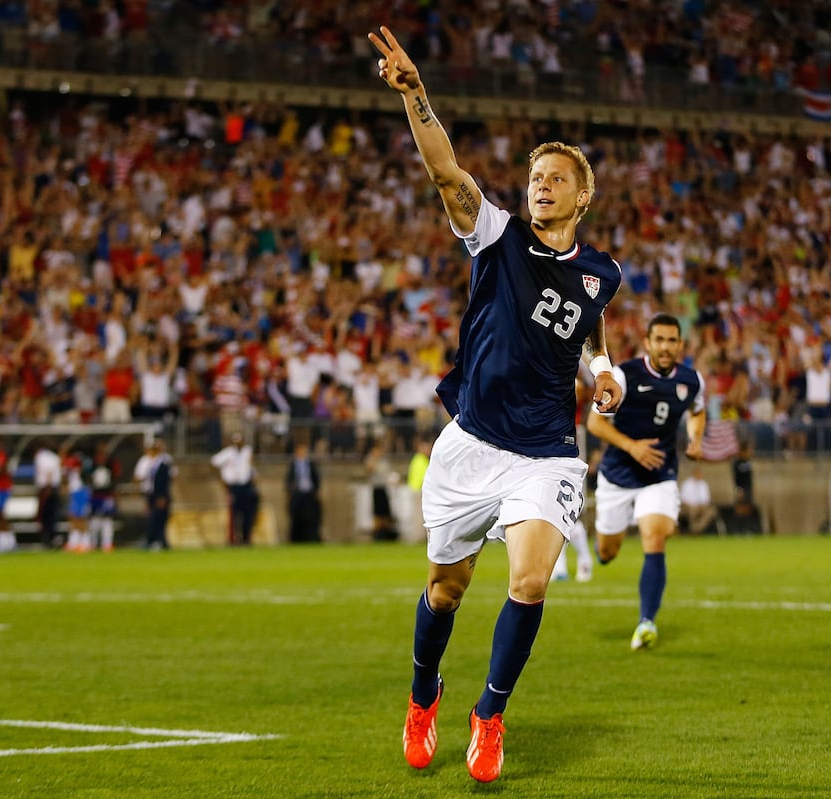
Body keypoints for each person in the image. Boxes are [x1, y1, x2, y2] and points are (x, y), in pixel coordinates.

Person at [370, 26, 623, 784]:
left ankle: (489, 714)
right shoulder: (495, 234)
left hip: (545, 448)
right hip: (470, 441)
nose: (540, 184)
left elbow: (589, 325)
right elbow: (445, 169)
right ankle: (423, 697)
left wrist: (603, 366)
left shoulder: (602, 272)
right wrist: (416, 93)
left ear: (583, 195)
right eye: (535, 175)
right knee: (445, 591)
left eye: (555, 178)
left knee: (532, 582)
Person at [586, 313, 706, 651]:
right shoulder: (625, 375)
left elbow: (697, 410)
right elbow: (595, 424)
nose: (666, 347)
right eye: (660, 340)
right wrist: (632, 447)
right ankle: (602, 549)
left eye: (672, 341)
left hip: (660, 474)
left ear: (679, 344)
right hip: (618, 475)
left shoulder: (691, 380)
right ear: (648, 343)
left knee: (655, 537)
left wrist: (696, 440)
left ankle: (646, 622)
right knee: (608, 552)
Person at [210, 432, 258, 546]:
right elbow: (214, 462)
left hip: (246, 485)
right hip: (234, 486)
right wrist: (222, 479)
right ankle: (233, 539)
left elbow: (250, 466)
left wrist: (254, 476)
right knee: (234, 514)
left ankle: (246, 538)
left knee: (248, 513)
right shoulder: (228, 452)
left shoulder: (247, 451)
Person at [285, 440, 322, 543]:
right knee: (296, 519)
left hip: (309, 494)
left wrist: (316, 491)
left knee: (310, 518)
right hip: (297, 494)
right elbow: (288, 480)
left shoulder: (311, 464)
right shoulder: (293, 465)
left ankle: (311, 539)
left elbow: (316, 479)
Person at [145, 440, 174, 550]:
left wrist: (162, 496)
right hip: (152, 494)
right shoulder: (151, 463)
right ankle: (154, 540)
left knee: (159, 518)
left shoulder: (164, 463)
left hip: (160, 495)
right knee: (153, 519)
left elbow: (165, 482)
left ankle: (159, 541)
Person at [679, 466, 718, 535]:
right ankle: (693, 530)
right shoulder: (687, 483)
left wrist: (701, 506)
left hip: (701, 506)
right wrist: (695, 505)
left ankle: (696, 529)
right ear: (693, 474)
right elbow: (684, 498)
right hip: (689, 506)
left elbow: (706, 499)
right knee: (692, 510)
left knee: (711, 511)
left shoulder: (703, 484)